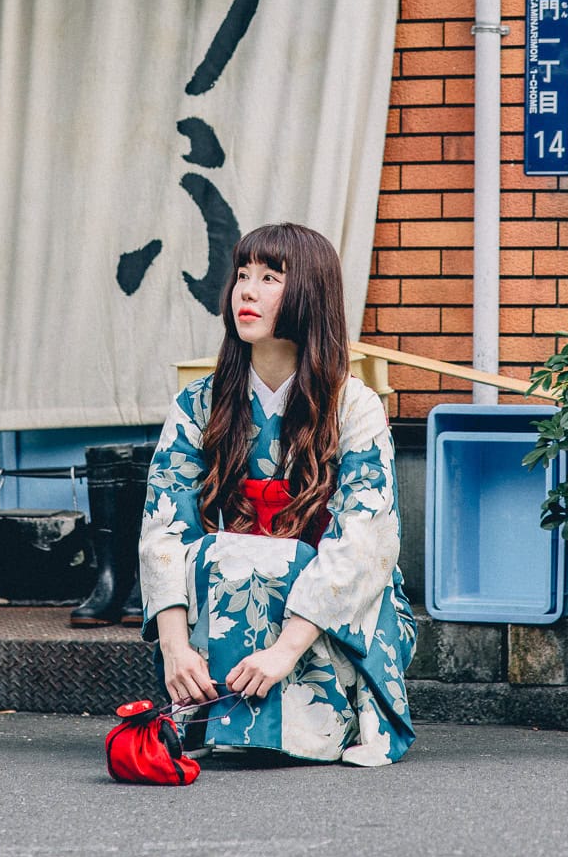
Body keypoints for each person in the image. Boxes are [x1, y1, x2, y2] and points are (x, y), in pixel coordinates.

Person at [138, 222, 416, 768]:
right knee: (218, 554)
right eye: (243, 276)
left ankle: (318, 726)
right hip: (229, 586)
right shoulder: (198, 404)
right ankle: (210, 708)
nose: (246, 290)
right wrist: (173, 646)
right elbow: (164, 526)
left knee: (321, 563)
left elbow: (364, 540)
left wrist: (284, 650)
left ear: (309, 294)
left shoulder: (353, 407)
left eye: (270, 278)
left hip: (327, 602)